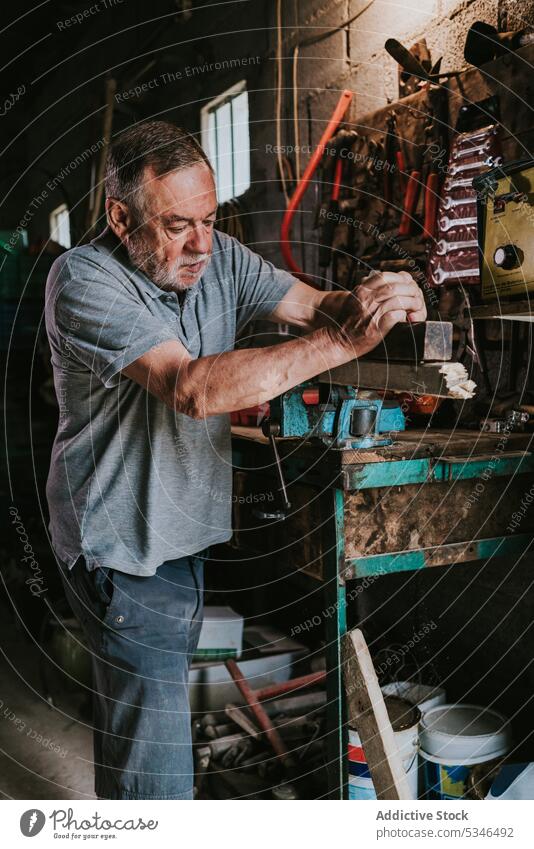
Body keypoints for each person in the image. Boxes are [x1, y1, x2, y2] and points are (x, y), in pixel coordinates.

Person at [44, 120, 426, 800]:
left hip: (177, 535)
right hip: (120, 547)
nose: (200, 244)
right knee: (158, 772)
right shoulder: (82, 280)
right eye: (177, 224)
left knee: (141, 722)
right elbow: (191, 388)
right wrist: (343, 342)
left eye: (210, 220)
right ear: (120, 215)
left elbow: (315, 306)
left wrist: (375, 301)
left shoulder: (217, 256)